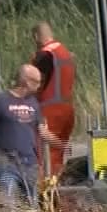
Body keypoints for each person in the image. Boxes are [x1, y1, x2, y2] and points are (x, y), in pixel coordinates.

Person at [0, 64, 56, 210]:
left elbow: (42, 132)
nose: (39, 86)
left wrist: (62, 144)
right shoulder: (0, 101)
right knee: (8, 206)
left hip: (30, 163)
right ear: (27, 82)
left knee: (31, 208)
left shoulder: (34, 104)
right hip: (6, 161)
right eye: (37, 82)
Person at [29, 21, 78, 177]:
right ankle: (58, 192)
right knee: (57, 155)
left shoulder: (44, 55)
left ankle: (45, 196)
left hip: (50, 111)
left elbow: (31, 80)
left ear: (36, 36)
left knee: (42, 155)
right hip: (67, 111)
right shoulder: (64, 52)